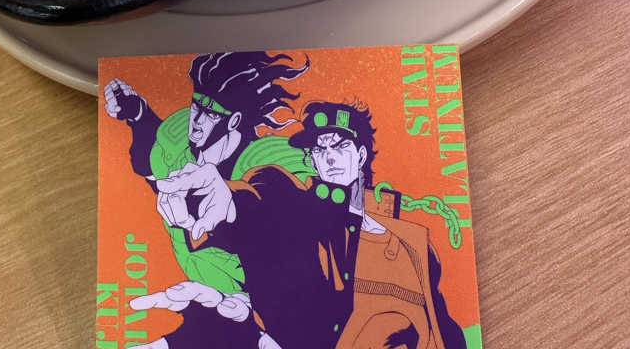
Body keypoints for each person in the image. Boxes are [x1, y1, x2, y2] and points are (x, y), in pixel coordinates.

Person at [132, 101, 466, 349]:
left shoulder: (414, 245)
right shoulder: (295, 211)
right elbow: (263, 199)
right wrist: (226, 203)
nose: (329, 157)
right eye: (320, 149)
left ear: (361, 155)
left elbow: (444, 332)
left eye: (340, 145)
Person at [103, 51, 310, 294]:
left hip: (264, 300)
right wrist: (138, 114)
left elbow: (298, 200)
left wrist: (236, 203)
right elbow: (153, 159)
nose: (197, 120)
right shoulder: (177, 143)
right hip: (202, 295)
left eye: (210, 113)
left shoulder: (263, 158)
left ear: (234, 121)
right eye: (196, 106)